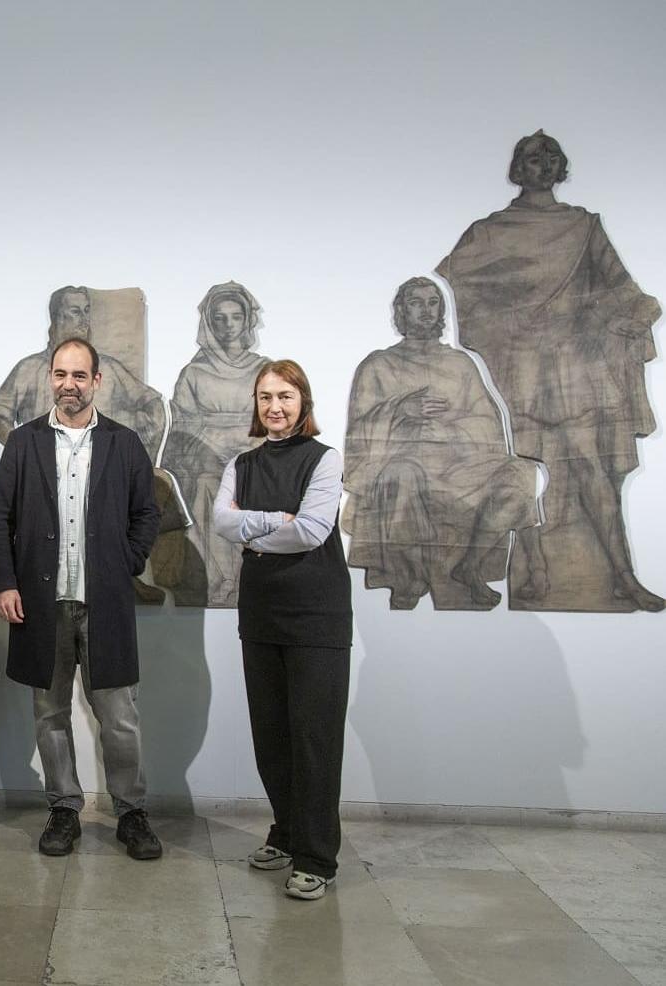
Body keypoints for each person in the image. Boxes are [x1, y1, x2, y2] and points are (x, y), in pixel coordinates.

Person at [437, 130, 662, 611]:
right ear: (518, 167)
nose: (543, 162)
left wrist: (639, 310)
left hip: (575, 369)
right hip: (517, 367)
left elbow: (622, 287)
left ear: (561, 166)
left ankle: (623, 576)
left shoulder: (584, 227)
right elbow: (461, 288)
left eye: (551, 156)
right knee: (521, 472)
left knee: (593, 473)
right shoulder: (491, 231)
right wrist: (510, 322)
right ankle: (533, 569)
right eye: (532, 156)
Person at [0, 337, 163, 860]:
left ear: (97, 381)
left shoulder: (124, 443)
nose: (69, 384)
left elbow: (146, 515)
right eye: (61, 374)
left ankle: (130, 812)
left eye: (79, 375)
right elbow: (0, 519)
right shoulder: (23, 443)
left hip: (104, 602)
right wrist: (5, 583)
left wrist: (125, 562)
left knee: (121, 717)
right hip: (42, 605)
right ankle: (63, 808)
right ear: (51, 379)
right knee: (49, 713)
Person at [213, 359, 352, 900]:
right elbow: (223, 522)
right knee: (272, 735)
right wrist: (279, 522)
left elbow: (314, 531)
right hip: (262, 612)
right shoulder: (241, 464)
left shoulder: (325, 459)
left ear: (304, 403)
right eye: (266, 396)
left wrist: (256, 530)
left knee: (314, 737)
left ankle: (317, 856)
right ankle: (287, 833)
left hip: (318, 614)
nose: (274, 406)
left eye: (285, 396)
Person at [343, 278, 538, 610]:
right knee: (401, 476)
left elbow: (487, 423)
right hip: (402, 460)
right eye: (416, 303)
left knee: (519, 473)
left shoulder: (460, 364)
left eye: (432, 302)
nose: (425, 310)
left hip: (458, 462)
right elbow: (359, 430)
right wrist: (400, 411)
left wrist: (451, 427)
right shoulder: (377, 365)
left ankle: (470, 567)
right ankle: (406, 576)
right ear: (401, 310)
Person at [162, 282, 269, 606]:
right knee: (209, 486)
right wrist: (208, 451)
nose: (228, 325)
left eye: (235, 317)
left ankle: (250, 581)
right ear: (209, 321)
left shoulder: (264, 369)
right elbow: (181, 428)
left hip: (254, 455)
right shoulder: (194, 373)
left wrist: (244, 448)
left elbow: (275, 421)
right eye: (219, 318)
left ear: (246, 321)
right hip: (206, 457)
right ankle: (219, 580)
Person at [0, 285, 167, 462]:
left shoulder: (110, 368)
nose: (84, 320)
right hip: (45, 473)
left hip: (101, 473)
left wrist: (134, 456)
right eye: (75, 312)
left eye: (86, 311)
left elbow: (153, 404)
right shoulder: (29, 369)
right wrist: (26, 452)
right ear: (58, 318)